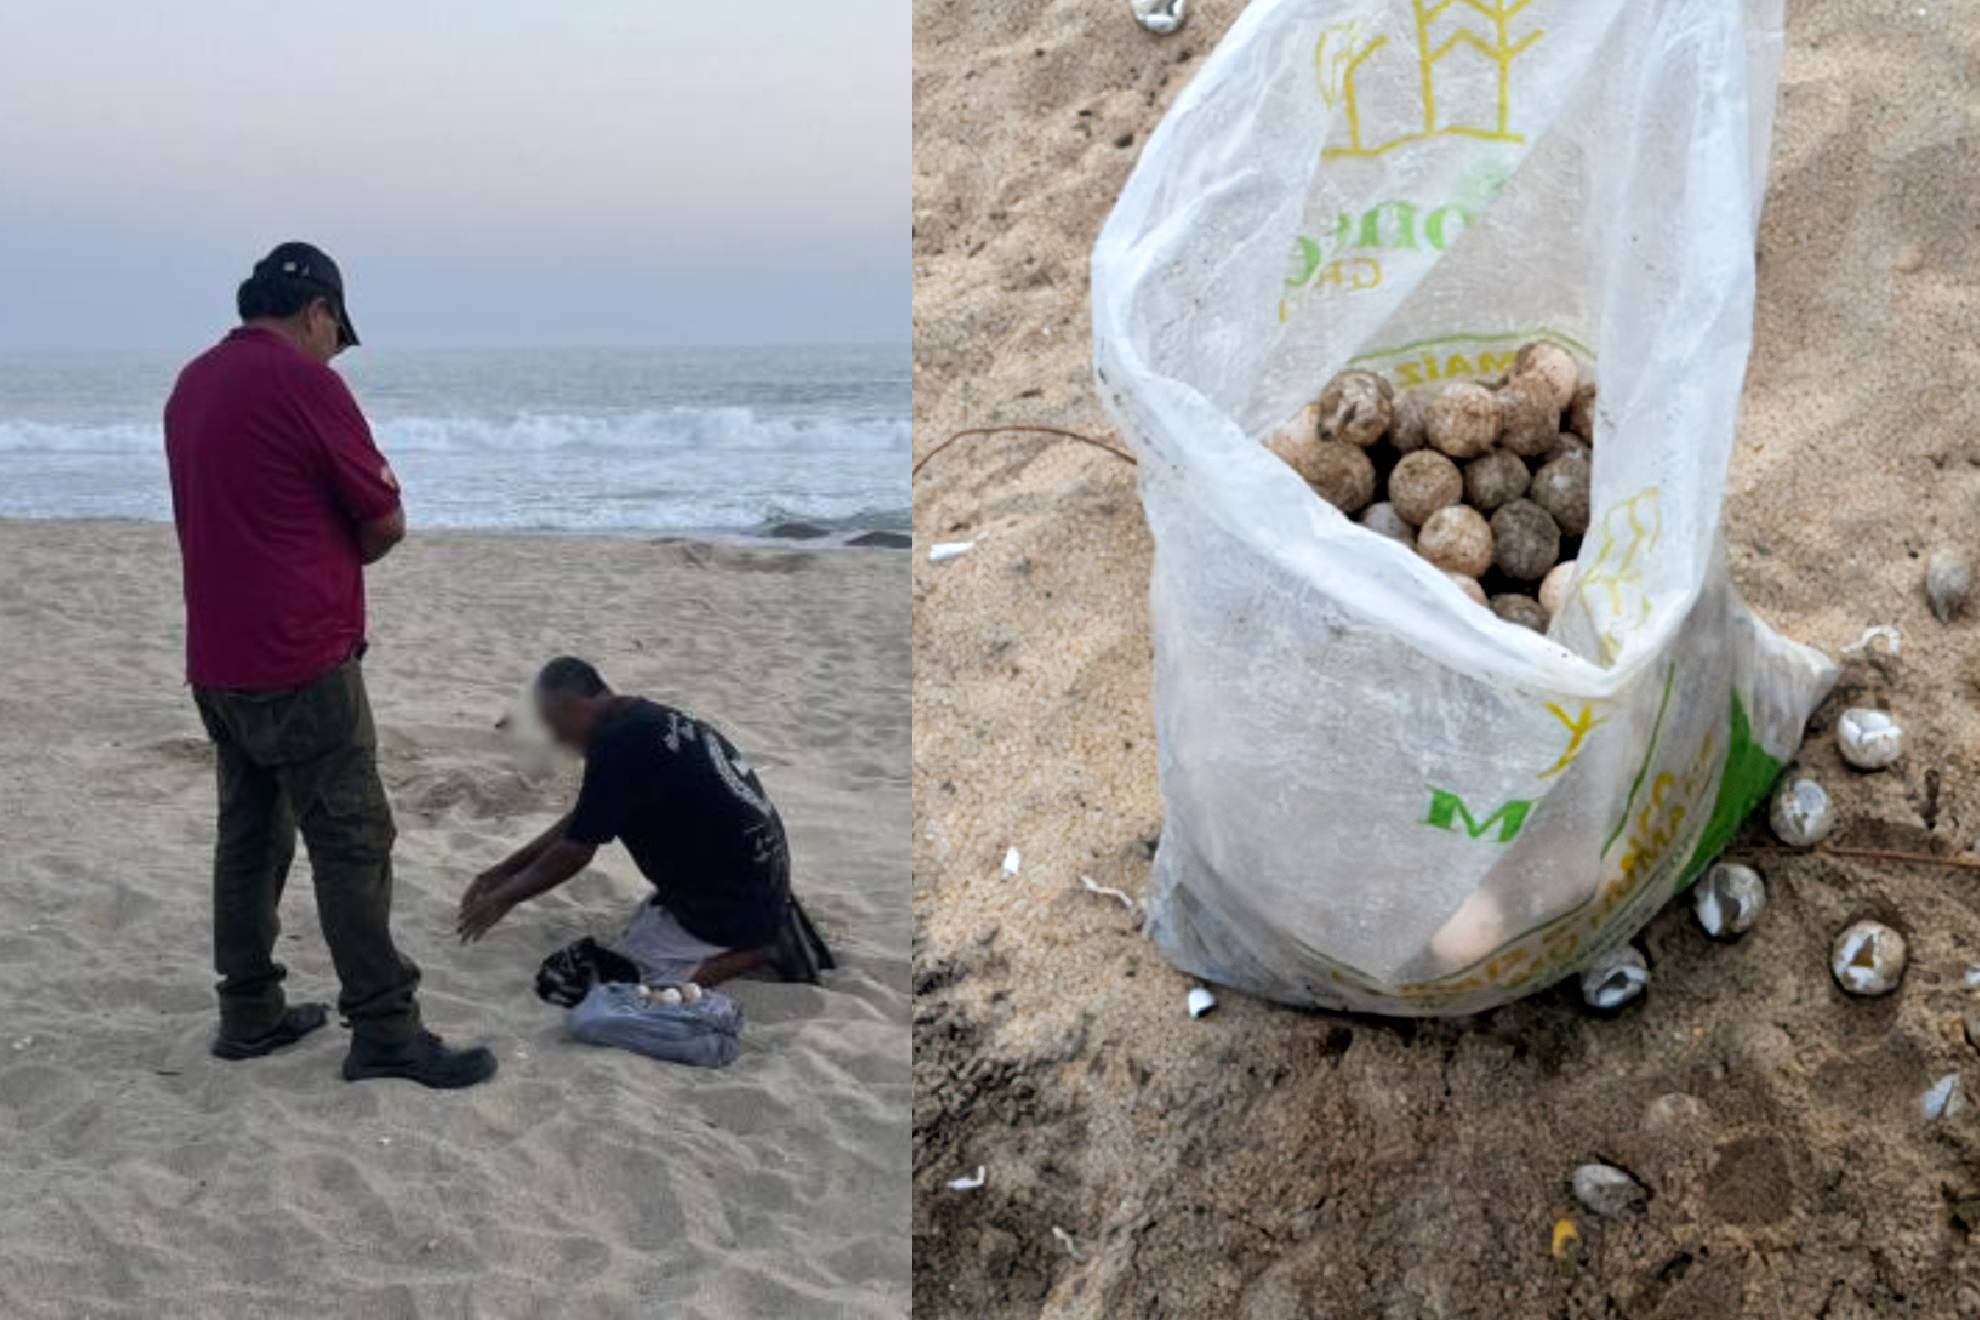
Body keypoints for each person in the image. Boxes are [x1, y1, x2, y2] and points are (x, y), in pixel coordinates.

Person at [164, 241, 496, 1089]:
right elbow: (384, 520)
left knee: (249, 839)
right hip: (302, 656)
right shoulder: (305, 384)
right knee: (352, 841)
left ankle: (249, 1012)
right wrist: (337, 561)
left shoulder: (191, 385)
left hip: (218, 659)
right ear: (317, 312)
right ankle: (384, 1028)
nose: (335, 352)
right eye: (337, 335)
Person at [458, 658, 834, 988]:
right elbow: (585, 820)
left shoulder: (618, 746)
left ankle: (763, 950)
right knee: (639, 939)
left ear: (571, 705)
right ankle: (758, 928)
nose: (557, 738)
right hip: (760, 879)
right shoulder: (644, 720)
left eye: (554, 724)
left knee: (635, 984)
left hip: (733, 902)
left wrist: (503, 898)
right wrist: (504, 871)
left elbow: (575, 852)